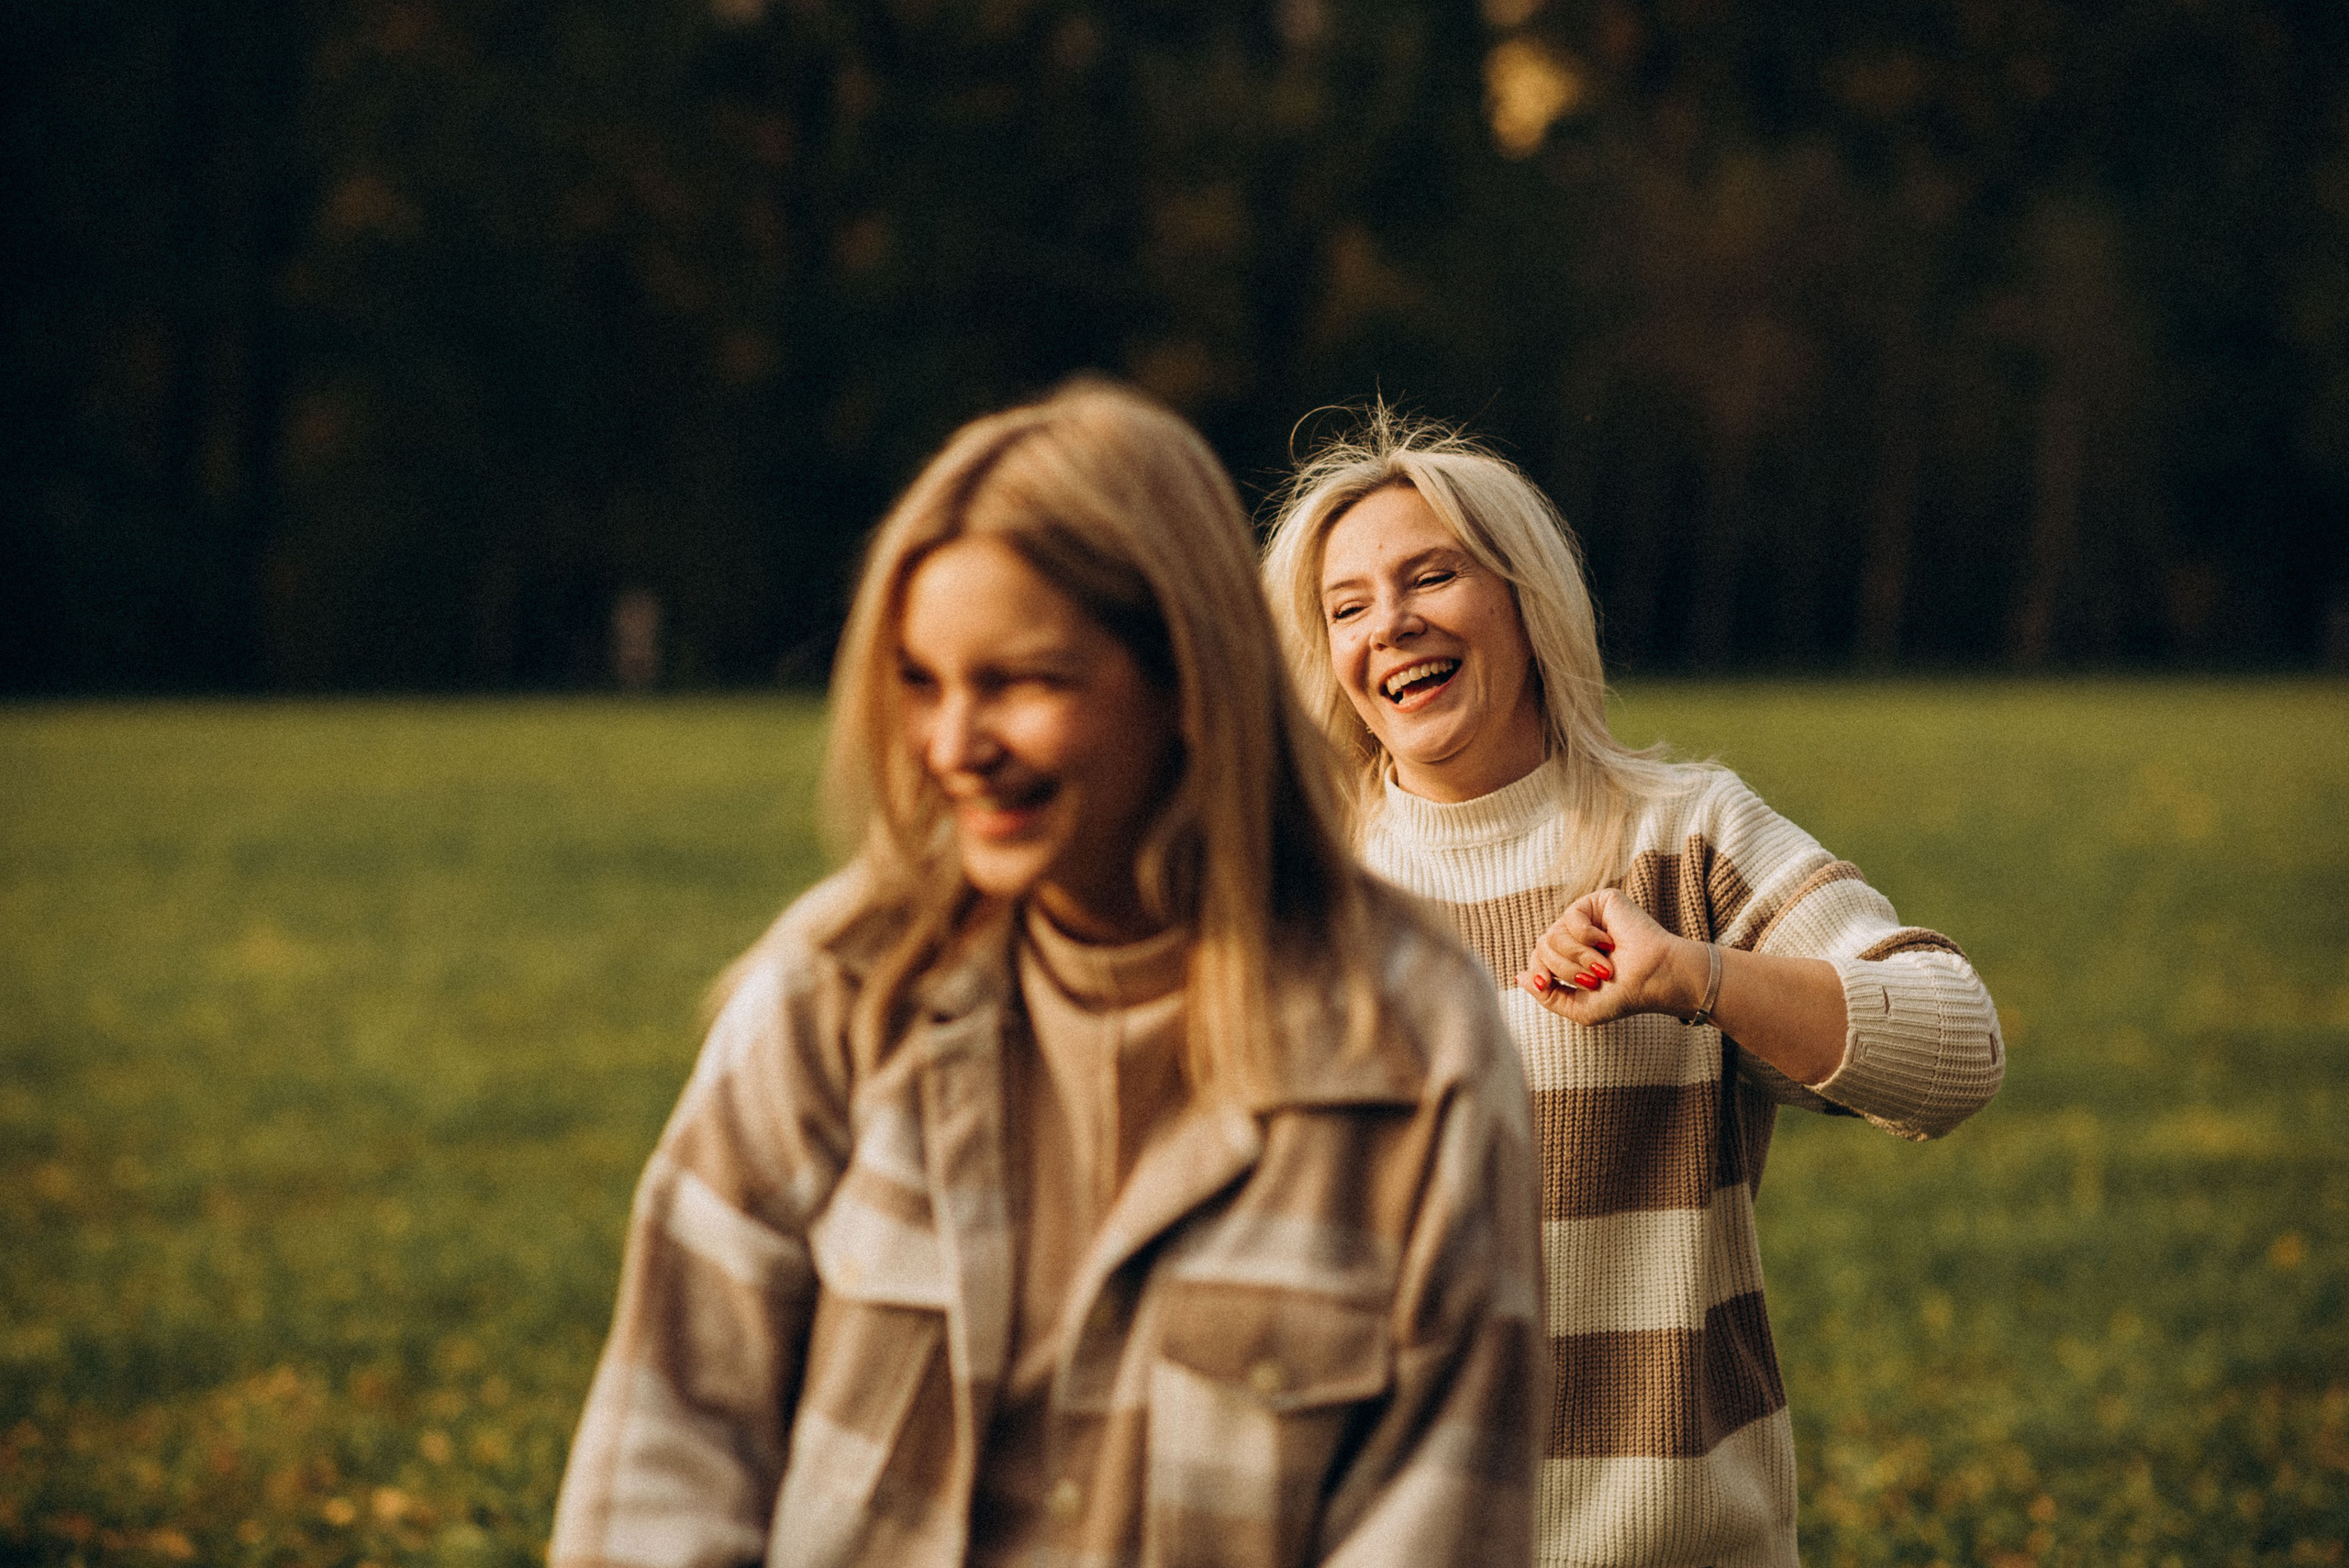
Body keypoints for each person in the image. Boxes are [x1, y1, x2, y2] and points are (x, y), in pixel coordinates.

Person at [549, 382, 1546, 1568]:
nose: (954, 746)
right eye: (923, 682)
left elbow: (1436, 1522)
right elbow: (662, 1461)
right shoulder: (832, 997)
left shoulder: (1415, 1043)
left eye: (1021, 682)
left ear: (1187, 676)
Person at [1261, 410, 2004, 1568]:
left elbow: (1957, 1050)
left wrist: (1698, 974)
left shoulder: (1682, 837)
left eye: (1431, 576)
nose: (1390, 622)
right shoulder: (1295, 890)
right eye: (1346, 606)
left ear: (1525, 599)